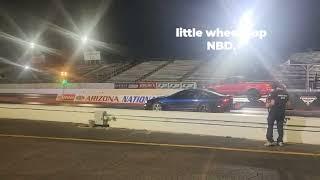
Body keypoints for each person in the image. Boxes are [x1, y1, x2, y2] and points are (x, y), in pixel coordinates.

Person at [265, 82, 289, 147]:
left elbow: (271, 103)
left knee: (270, 126)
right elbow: (288, 103)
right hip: (281, 112)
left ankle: (270, 141)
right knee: (280, 127)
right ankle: (280, 141)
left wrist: (268, 104)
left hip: (273, 112)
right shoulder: (286, 93)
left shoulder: (273, 93)